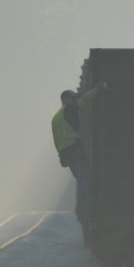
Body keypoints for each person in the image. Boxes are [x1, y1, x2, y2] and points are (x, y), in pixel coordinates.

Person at [51, 82, 106, 220]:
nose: (75, 100)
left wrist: (60, 156)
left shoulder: (56, 118)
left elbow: (55, 140)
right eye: (73, 98)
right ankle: (89, 208)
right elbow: (85, 100)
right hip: (75, 150)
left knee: (81, 179)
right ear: (66, 99)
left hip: (65, 154)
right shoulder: (69, 108)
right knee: (83, 178)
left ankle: (88, 206)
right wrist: (98, 89)